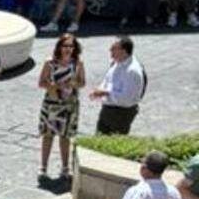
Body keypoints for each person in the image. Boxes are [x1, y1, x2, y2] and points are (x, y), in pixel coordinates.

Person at [38, 32, 85, 179]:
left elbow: (82, 82)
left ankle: (65, 168)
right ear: (59, 46)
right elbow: (41, 83)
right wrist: (56, 85)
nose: (68, 49)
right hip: (52, 104)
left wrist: (73, 83)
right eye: (65, 45)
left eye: (71, 46)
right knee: (48, 136)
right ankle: (43, 168)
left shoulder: (78, 63)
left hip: (69, 105)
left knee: (65, 137)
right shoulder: (50, 63)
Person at [89, 35, 146, 135]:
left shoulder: (132, 71)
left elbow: (126, 99)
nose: (110, 50)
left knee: (114, 140)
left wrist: (105, 92)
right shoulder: (117, 63)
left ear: (124, 51)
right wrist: (99, 90)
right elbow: (108, 81)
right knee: (99, 140)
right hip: (107, 110)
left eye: (114, 48)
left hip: (121, 114)